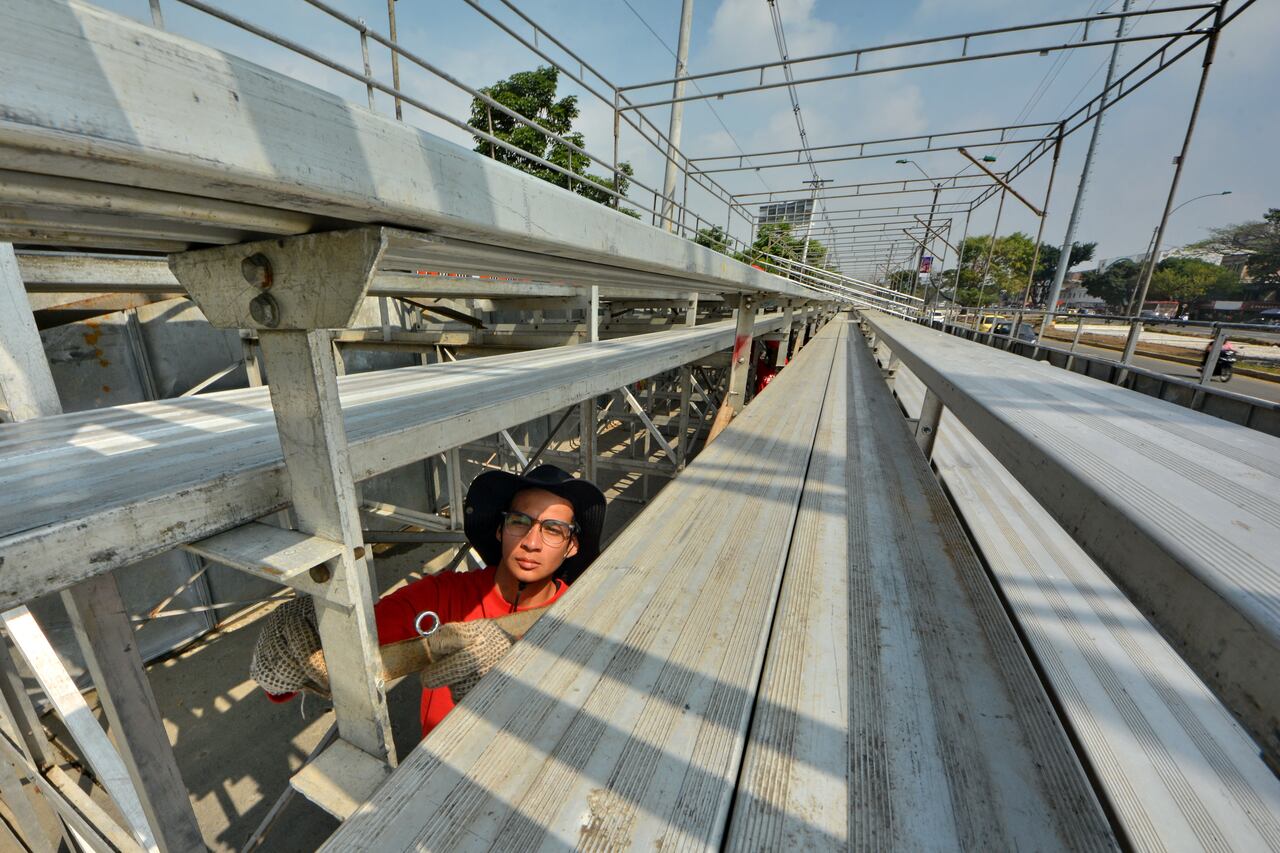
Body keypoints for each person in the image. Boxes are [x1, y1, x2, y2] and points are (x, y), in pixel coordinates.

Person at [250, 464, 606, 741]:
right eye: (519, 522)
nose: (531, 541)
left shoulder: (586, 616)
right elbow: (361, 635)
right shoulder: (444, 595)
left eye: (554, 530)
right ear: (500, 531)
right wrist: (302, 641)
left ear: (572, 546)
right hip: (436, 769)